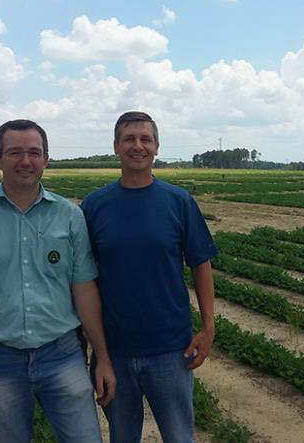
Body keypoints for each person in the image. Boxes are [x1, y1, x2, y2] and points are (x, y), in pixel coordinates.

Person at [0, 119, 115, 443]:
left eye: (34, 152)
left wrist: (103, 358)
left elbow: (84, 289)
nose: (26, 161)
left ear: (46, 159)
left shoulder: (70, 216)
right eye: (15, 152)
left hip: (62, 355)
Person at [81, 111, 218, 443]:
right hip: (114, 351)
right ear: (116, 146)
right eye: (129, 138)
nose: (137, 146)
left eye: (145, 139)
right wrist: (94, 350)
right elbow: (83, 281)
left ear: (157, 146)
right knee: (122, 437)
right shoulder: (94, 206)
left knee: (179, 437)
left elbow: (201, 264)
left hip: (171, 349)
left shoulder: (179, 201)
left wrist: (209, 326)